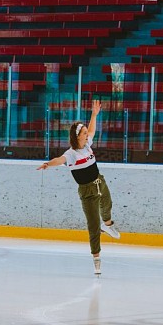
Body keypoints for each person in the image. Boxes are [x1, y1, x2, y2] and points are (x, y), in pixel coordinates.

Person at [36, 99, 120, 276]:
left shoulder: (87, 144)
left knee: (108, 204)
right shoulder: (71, 154)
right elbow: (60, 160)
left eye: (84, 132)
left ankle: (109, 224)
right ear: (77, 137)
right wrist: (48, 164)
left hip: (99, 182)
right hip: (87, 192)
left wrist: (94, 114)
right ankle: (96, 259)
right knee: (92, 225)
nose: (86, 134)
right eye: (82, 133)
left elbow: (92, 129)